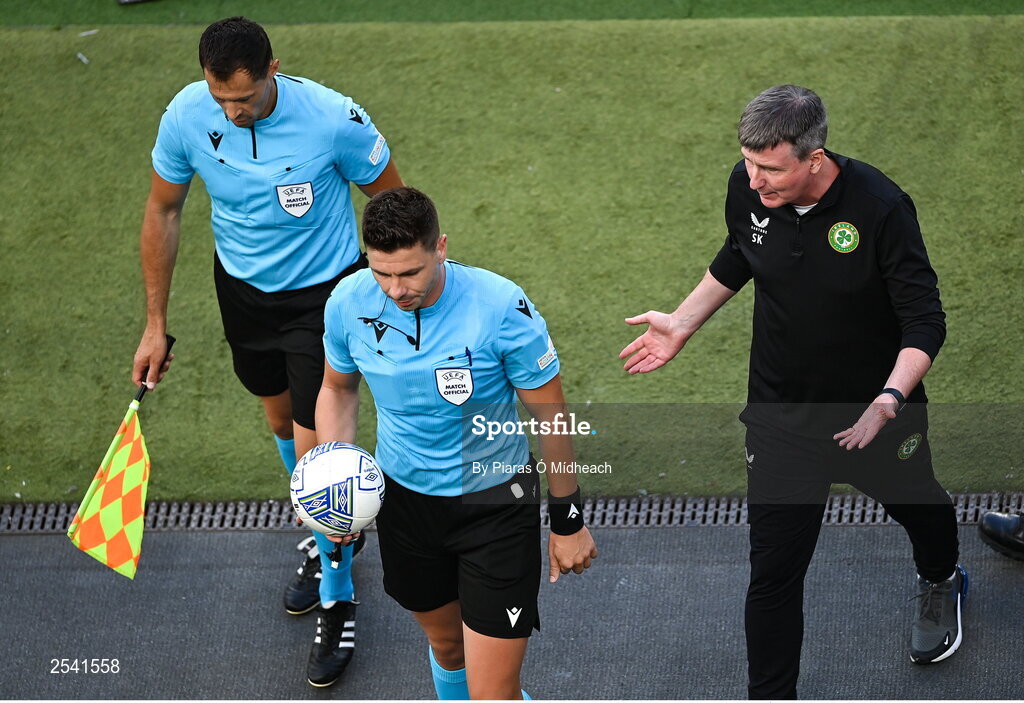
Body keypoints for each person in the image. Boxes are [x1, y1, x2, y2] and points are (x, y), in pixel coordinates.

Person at [620, 85, 965, 699]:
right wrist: (683, 321)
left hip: (875, 415)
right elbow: (743, 252)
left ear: (815, 156)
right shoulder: (749, 186)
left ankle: (941, 579)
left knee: (922, 509)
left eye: (771, 168)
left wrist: (888, 402)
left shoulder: (881, 208)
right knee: (773, 576)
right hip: (781, 418)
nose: (754, 182)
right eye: (748, 163)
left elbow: (924, 321)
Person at [130, 16, 404, 687]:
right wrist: (154, 322)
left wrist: (395, 292)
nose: (233, 110)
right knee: (280, 423)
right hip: (245, 294)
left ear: (273, 69)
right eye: (222, 98)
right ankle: (329, 534)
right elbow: (164, 210)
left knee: (320, 457)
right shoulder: (187, 117)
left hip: (325, 298)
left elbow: (394, 201)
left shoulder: (335, 119)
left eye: (245, 98)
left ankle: (340, 595)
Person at [316, 186, 598, 700]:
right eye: (382, 273)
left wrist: (567, 520)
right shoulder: (348, 303)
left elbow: (550, 415)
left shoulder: (500, 307)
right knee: (449, 650)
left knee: (492, 692)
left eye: (409, 273)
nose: (396, 290)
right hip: (405, 502)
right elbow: (338, 389)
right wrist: (333, 485)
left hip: (495, 505)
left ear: (440, 247)